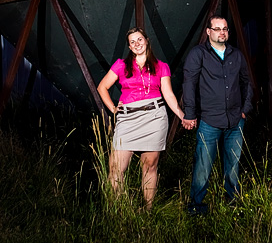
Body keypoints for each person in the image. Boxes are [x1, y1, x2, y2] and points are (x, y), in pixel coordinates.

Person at [97, 26, 185, 209]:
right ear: (129, 47)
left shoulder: (161, 66)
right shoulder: (121, 65)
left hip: (154, 117)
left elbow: (168, 95)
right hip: (127, 119)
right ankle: (119, 212)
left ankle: (148, 211)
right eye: (132, 42)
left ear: (146, 41)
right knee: (115, 169)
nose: (137, 44)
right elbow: (102, 87)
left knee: (150, 166)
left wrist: (183, 116)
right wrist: (113, 108)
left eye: (139, 39)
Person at [182, 15, 253, 215]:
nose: (222, 32)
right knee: (203, 167)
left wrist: (245, 109)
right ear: (208, 32)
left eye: (225, 29)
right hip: (209, 121)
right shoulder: (198, 54)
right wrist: (190, 113)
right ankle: (197, 207)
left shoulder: (236, 55)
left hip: (235, 121)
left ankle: (233, 205)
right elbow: (189, 84)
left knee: (232, 166)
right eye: (217, 28)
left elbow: (247, 82)